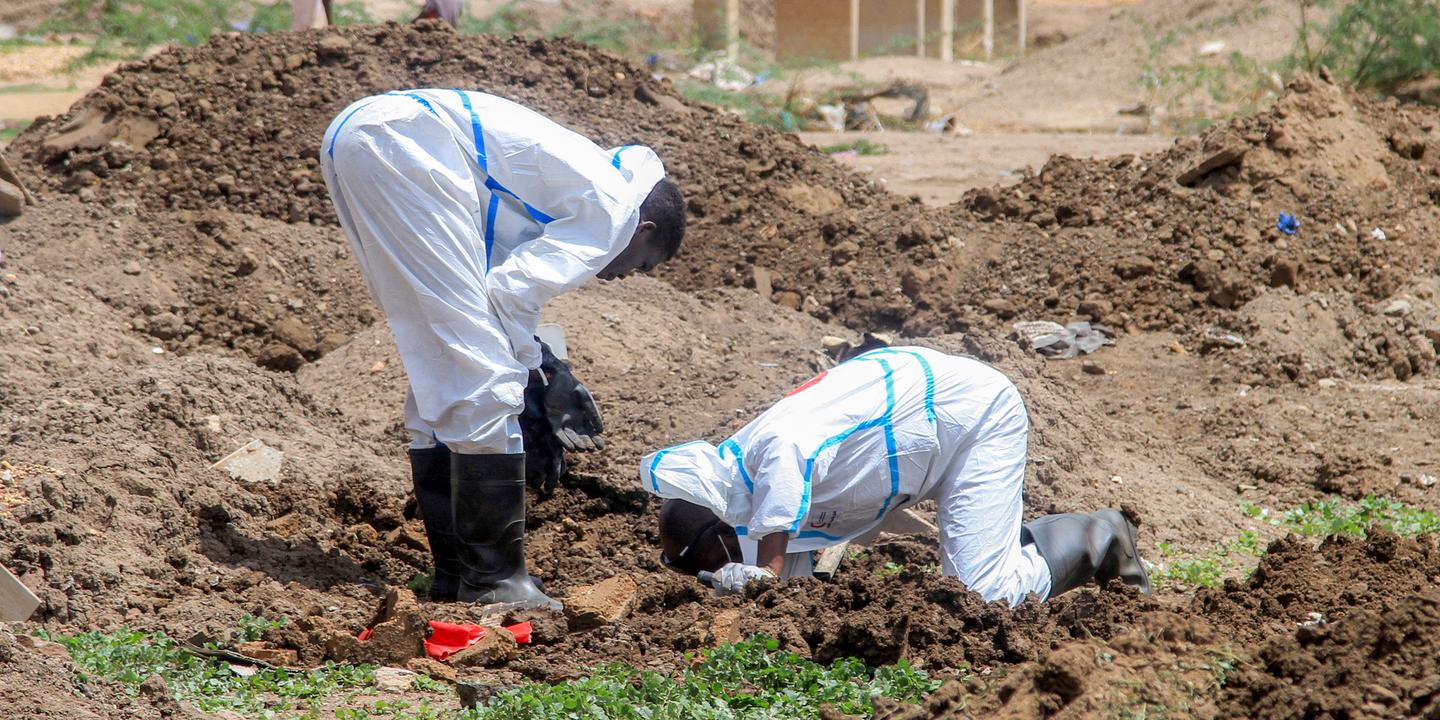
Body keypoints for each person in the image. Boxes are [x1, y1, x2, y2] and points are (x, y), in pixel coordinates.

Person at [322, 89, 686, 609]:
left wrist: (535, 364)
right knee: (481, 377)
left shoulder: (569, 193)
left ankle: (455, 571)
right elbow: (510, 293)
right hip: (404, 145)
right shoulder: (613, 215)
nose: (624, 277)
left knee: (441, 360)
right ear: (643, 231)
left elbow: (501, 292)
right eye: (643, 265)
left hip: (366, 134)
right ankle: (494, 581)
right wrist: (533, 372)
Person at [642, 343, 1150, 606]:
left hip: (969, 415)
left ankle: (1097, 536)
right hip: (920, 438)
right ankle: (1012, 546)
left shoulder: (771, 456)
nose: (718, 574)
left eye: (712, 563)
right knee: (976, 581)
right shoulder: (754, 496)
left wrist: (766, 571)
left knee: (983, 597)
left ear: (725, 535)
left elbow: (788, 451)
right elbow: (784, 597)